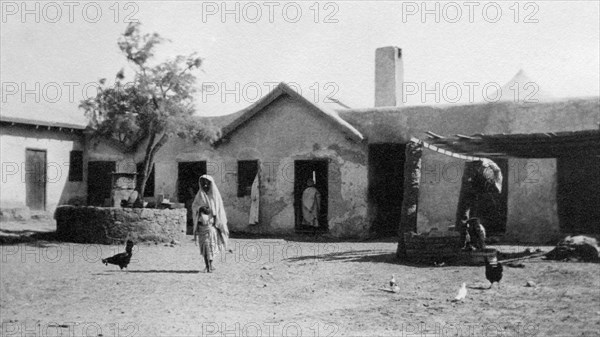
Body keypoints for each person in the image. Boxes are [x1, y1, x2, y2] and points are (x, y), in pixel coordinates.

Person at [192, 175, 229, 272]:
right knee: (204, 247)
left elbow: (218, 210)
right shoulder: (199, 195)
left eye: (206, 183)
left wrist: (213, 214)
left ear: (210, 184)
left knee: (211, 246)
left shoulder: (215, 196)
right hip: (201, 227)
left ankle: (210, 264)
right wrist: (200, 209)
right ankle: (207, 265)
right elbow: (194, 206)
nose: (205, 185)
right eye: (202, 183)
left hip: (211, 226)